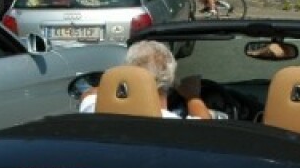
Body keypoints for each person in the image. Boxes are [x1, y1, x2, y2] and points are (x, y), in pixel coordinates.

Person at [79, 40, 214, 119]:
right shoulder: (176, 127)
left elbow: (88, 94)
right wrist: (193, 97)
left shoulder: (93, 111)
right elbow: (204, 128)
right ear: (171, 78)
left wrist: (118, 87)